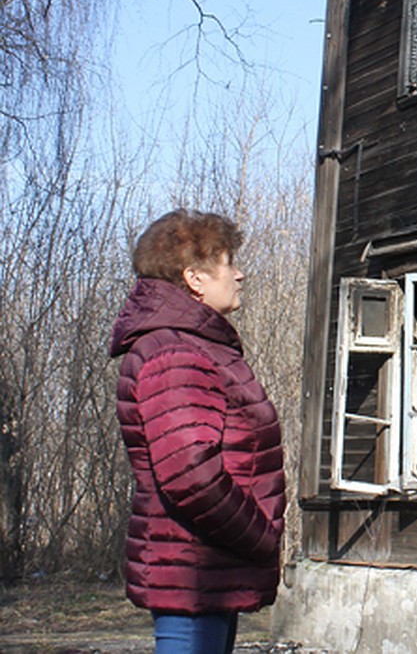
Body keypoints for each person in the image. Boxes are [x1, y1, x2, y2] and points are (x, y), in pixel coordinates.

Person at [109, 209, 285, 654]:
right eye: (229, 262)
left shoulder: (195, 345)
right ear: (195, 278)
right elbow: (191, 474)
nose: (240, 274)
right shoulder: (175, 352)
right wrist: (259, 537)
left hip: (208, 568)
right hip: (190, 572)